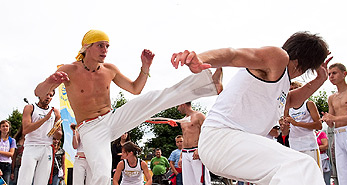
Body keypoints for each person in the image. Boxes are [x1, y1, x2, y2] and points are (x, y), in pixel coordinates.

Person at [34, 30, 221, 185]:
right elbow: (38, 92)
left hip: (113, 118)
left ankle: (208, 85)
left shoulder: (109, 69)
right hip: (90, 129)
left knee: (153, 98)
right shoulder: (69, 69)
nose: (105, 50)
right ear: (87, 47)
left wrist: (145, 67)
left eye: (107, 46)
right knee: (101, 174)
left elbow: (135, 89)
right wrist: (50, 81)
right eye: (100, 45)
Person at [171, 31, 331, 184]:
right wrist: (201, 59)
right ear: (304, 63)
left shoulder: (282, 84)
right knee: (302, 166)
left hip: (233, 147)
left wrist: (321, 79)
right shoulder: (278, 58)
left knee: (288, 175)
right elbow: (233, 55)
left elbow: (292, 100)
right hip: (222, 138)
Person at [17, 89, 63, 185]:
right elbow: (26, 129)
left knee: (42, 181)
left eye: (51, 95)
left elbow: (58, 136)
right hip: (31, 146)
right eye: (46, 94)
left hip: (46, 148)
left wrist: (56, 130)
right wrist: (45, 119)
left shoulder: (55, 112)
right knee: (25, 180)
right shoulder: (30, 108)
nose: (48, 97)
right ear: (39, 95)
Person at [284, 81, 322, 167]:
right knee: (299, 175)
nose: (293, 92)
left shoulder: (309, 104)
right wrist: (284, 125)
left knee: (314, 174)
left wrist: (297, 123)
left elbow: (319, 125)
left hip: (309, 145)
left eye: (295, 89)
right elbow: (285, 132)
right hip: (294, 146)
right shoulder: (287, 108)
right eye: (290, 90)